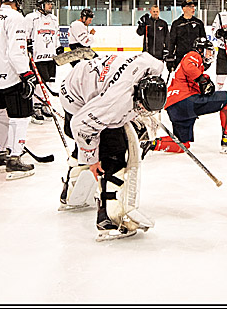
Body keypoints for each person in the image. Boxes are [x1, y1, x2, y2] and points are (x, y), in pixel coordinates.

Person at [61, 52, 167, 239]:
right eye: (141, 106)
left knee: (97, 143)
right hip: (76, 95)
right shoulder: (117, 101)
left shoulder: (154, 68)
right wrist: (92, 160)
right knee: (113, 153)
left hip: (86, 79)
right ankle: (109, 217)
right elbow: (82, 126)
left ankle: (70, 191)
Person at [156, 37, 227, 154]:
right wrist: (202, 79)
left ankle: (152, 144)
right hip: (185, 100)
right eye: (208, 51)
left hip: (174, 108)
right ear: (200, 49)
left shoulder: (193, 66)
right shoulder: (193, 55)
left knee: (182, 144)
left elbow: (191, 78)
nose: (210, 54)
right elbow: (189, 67)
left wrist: (204, 82)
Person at [0, 0, 37, 179]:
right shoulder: (16, 18)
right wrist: (26, 74)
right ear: (17, 0)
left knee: (1, 116)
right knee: (21, 117)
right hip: (10, 76)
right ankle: (15, 157)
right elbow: (16, 51)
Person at [25, 0, 62, 122]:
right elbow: (26, 34)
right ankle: (36, 106)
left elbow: (56, 35)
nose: (50, 6)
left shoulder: (54, 19)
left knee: (50, 81)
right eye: (48, 4)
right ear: (41, 5)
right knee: (39, 82)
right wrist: (27, 45)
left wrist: (58, 47)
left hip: (50, 56)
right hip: (37, 56)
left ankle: (45, 105)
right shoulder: (31, 18)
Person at [166, 0, 207, 71]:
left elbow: (204, 40)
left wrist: (204, 56)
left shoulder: (199, 23)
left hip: (195, 57)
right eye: (190, 7)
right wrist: (170, 57)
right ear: (183, 9)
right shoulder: (176, 24)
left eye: (194, 7)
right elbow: (172, 42)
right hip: (180, 57)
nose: (193, 9)